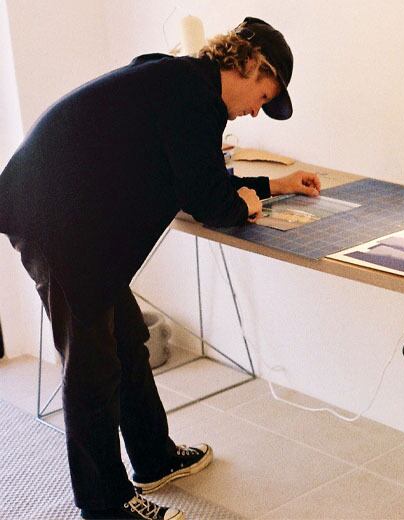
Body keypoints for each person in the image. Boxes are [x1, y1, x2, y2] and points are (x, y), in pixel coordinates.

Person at [0, 16, 320, 520]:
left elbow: (197, 175)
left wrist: (272, 186)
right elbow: (210, 202)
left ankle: (153, 459)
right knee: (92, 369)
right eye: (264, 96)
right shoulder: (192, 98)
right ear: (250, 65)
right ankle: (106, 506)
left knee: (128, 339)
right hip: (55, 222)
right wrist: (242, 205)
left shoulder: (181, 81)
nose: (257, 111)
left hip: (72, 219)